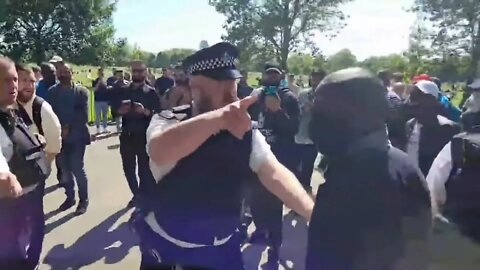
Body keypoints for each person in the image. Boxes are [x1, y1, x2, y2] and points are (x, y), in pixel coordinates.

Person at [136, 42, 314, 269]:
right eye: (223, 90)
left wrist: (311, 213)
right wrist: (221, 117)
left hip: (221, 249)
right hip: (165, 248)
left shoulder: (244, 129)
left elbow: (274, 172)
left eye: (234, 87)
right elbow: (160, 152)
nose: (233, 96)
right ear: (195, 89)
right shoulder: (169, 120)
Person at [307, 67, 432, 270]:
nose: (314, 121)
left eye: (323, 112)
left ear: (360, 115)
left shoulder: (361, 181)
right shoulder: (399, 164)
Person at [0, 57, 50, 269]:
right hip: (11, 210)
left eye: (13, 80)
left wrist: (35, 140)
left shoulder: (10, 109)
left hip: (31, 198)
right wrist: (3, 174)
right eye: (4, 81)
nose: (12, 86)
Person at [248, 63, 300, 263]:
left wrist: (278, 111)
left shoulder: (290, 99)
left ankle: (275, 249)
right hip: (255, 157)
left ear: (281, 76)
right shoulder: (256, 97)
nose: (271, 78)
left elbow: (293, 128)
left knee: (274, 203)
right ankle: (261, 230)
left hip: (278, 159)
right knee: (256, 200)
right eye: (268, 74)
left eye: (275, 74)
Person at [48, 63, 91, 215]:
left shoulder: (81, 92)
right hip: (59, 138)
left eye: (66, 71)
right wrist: (58, 129)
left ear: (72, 73)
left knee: (77, 168)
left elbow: (83, 115)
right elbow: (50, 114)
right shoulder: (52, 92)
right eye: (61, 72)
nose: (63, 74)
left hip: (77, 137)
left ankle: (83, 200)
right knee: (64, 170)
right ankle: (70, 198)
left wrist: (68, 127)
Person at [116, 60, 160, 208]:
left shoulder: (151, 92)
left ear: (145, 72)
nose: (137, 74)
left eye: (140, 71)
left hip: (144, 136)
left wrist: (146, 111)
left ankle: (142, 195)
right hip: (127, 135)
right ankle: (136, 194)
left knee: (144, 170)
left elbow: (158, 114)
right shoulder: (124, 90)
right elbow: (114, 110)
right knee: (128, 168)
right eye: (134, 71)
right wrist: (120, 111)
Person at [404, 80, 460, 176]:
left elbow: (455, 163)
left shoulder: (449, 128)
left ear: (433, 100)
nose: (414, 100)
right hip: (415, 182)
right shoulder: (410, 125)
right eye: (413, 96)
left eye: (420, 95)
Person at [294, 70, 325, 194]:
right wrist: (303, 108)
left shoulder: (327, 97)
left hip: (313, 138)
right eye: (314, 78)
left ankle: (305, 193)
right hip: (299, 135)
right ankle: (296, 193)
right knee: (296, 167)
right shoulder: (303, 94)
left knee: (307, 168)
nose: (315, 81)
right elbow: (295, 113)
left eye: (318, 79)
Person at [92, 68, 110, 134]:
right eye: (100, 73)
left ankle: (105, 128)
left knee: (105, 115)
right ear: (98, 73)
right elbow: (94, 89)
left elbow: (107, 89)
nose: (101, 74)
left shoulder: (106, 81)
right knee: (98, 115)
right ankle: (98, 128)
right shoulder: (95, 81)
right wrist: (99, 83)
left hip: (105, 100)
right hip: (98, 101)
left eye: (102, 73)